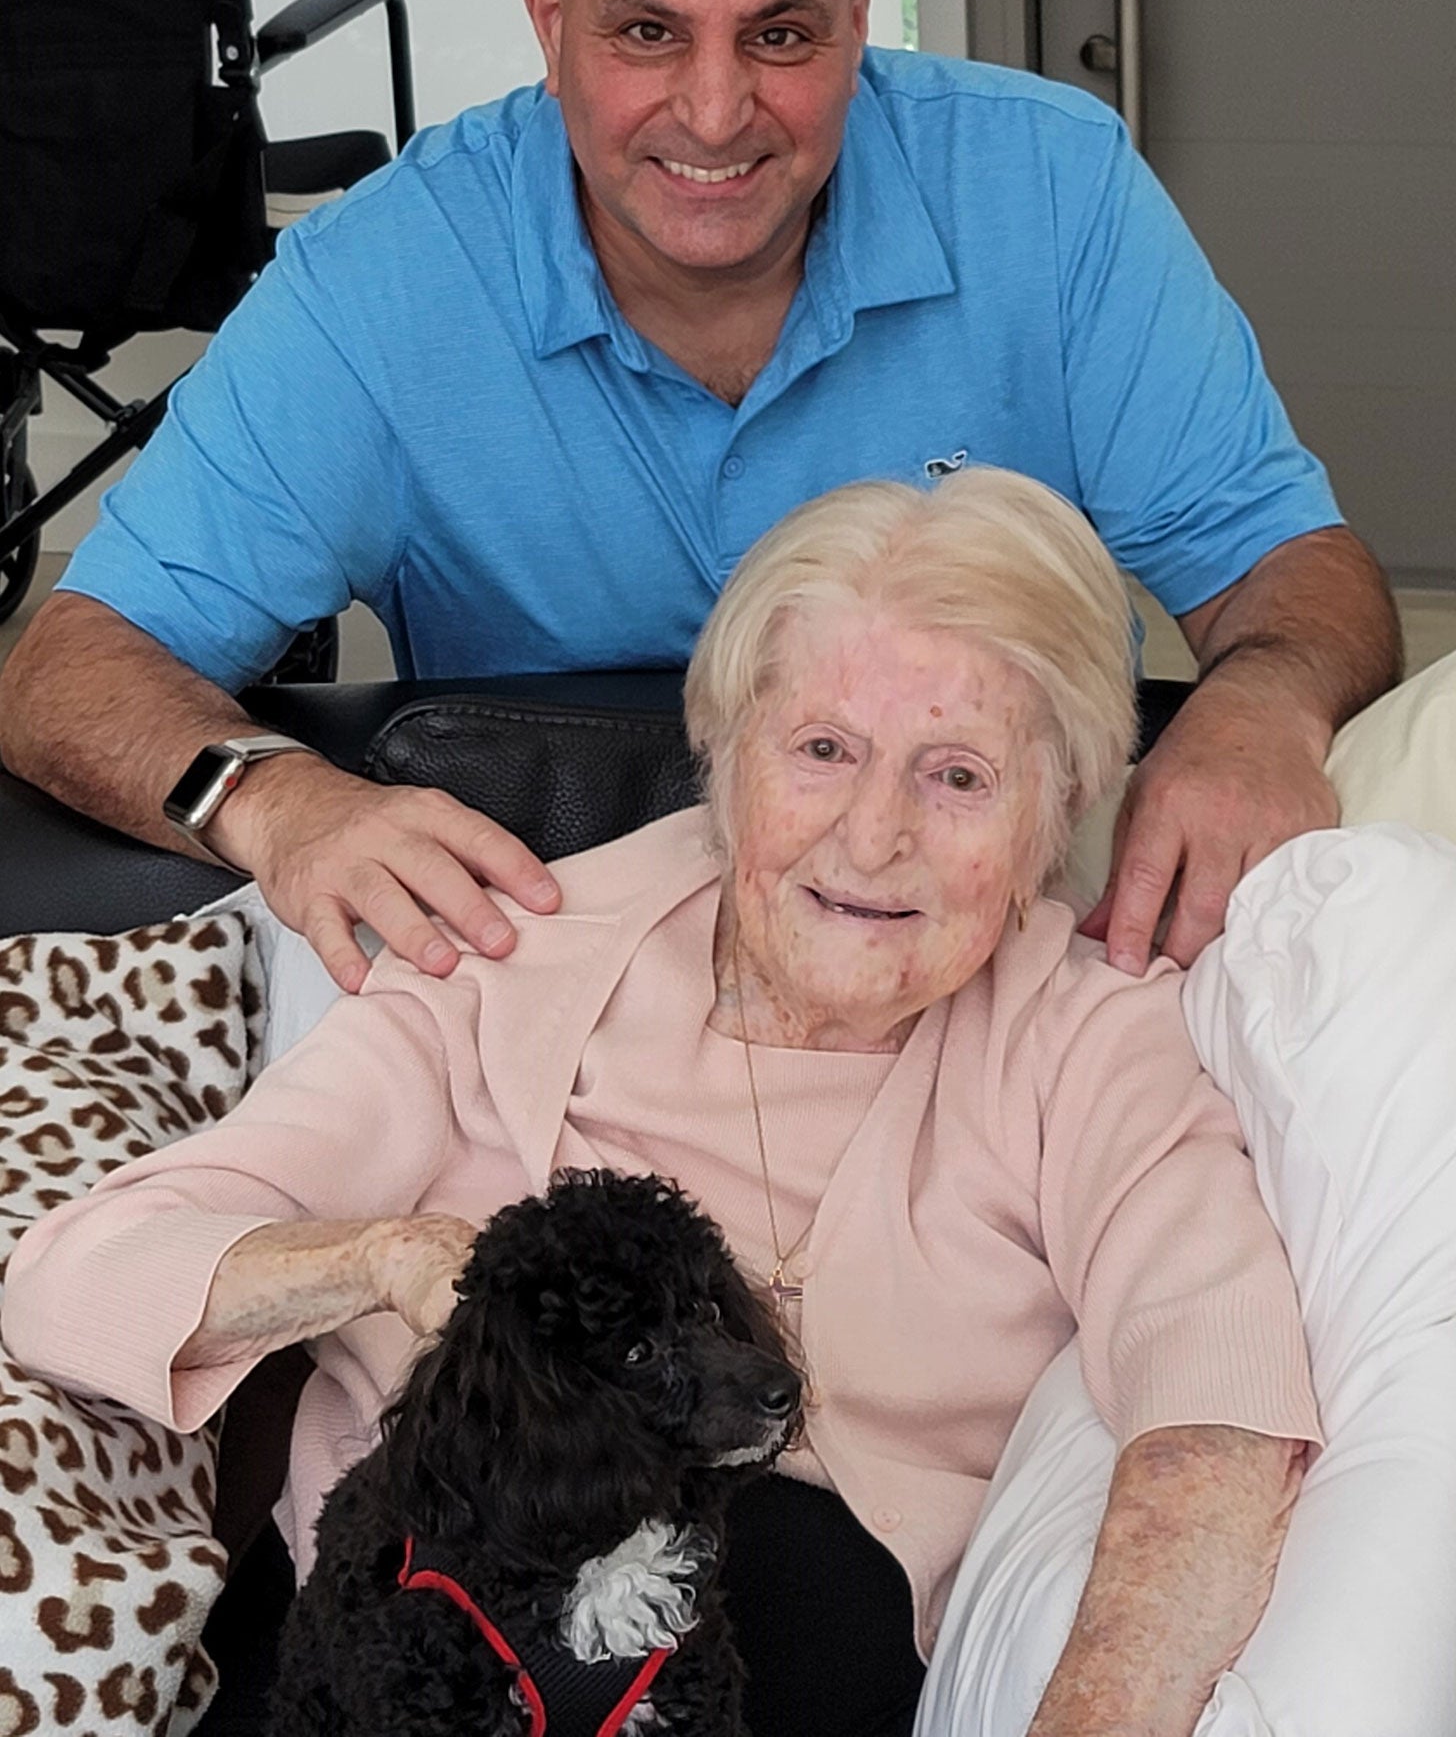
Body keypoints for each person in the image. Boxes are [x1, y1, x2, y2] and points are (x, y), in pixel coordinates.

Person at [0, 0, 1400, 995]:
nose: (716, 114)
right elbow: (70, 673)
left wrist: (1261, 706)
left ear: (860, 12)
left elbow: (1294, 572)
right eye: (647, 33)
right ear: (549, 16)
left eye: (780, 35)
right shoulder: (380, 282)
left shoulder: (1054, 191)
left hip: (983, 930)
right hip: (567, 936)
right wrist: (277, 802)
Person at [3, 468, 1321, 1737]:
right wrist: (389, 1260)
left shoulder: (1098, 1040)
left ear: (1063, 805)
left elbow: (1217, 1408)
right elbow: (74, 1279)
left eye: (959, 775)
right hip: (418, 1650)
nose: (873, 837)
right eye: (821, 748)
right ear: (725, 747)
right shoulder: (509, 957)